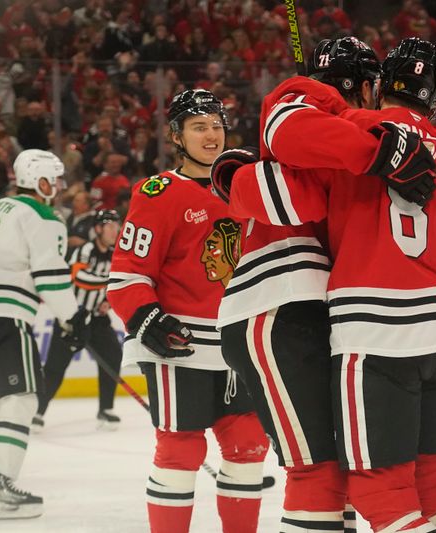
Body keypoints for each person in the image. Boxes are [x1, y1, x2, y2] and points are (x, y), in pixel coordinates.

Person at [223, 37, 436, 532]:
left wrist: (233, 175)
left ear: (381, 85)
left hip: (371, 333)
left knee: (376, 486)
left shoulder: (349, 130)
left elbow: (285, 182)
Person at [212, 36, 436, 532]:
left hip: (309, 312)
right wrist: (377, 154)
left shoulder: (334, 141)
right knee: (317, 470)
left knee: (344, 469)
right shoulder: (318, 105)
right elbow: (294, 181)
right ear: (360, 85)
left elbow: (292, 196)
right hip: (275, 308)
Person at [107, 90, 269, 533]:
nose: (211, 134)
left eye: (216, 125)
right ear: (176, 135)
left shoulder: (248, 188)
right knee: (180, 451)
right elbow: (128, 272)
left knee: (249, 447)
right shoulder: (159, 193)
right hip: (182, 343)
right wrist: (145, 317)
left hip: (239, 343)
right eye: (199, 126)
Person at [0, 149, 89, 520]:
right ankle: (1, 486)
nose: (58, 186)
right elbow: (50, 275)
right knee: (23, 396)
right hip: (3, 312)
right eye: (54, 179)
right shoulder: (44, 215)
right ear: (40, 181)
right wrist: (73, 319)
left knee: (1, 398)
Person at [35, 209, 123, 430]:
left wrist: (108, 302)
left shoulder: (115, 254)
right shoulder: (86, 249)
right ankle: (37, 411)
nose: (115, 230)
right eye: (110, 226)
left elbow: (117, 287)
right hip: (72, 318)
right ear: (98, 229)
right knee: (56, 367)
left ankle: (106, 409)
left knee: (113, 357)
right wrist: (107, 282)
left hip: (97, 320)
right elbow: (78, 276)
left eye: (116, 225)